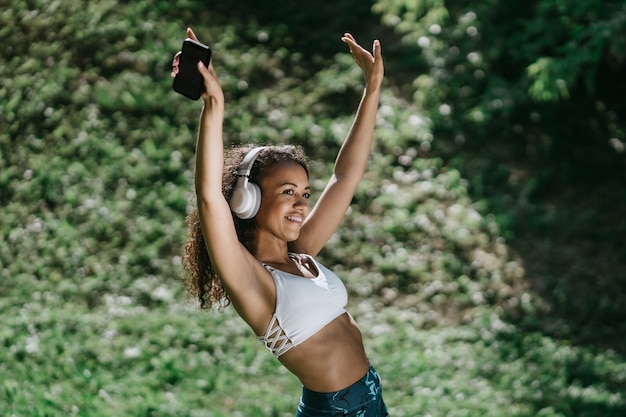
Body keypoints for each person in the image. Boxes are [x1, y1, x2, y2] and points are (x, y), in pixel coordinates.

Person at [172, 27, 387, 416]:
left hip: (370, 397)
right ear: (247, 199)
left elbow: (345, 177)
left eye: (304, 193)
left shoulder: (301, 255)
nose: (301, 204)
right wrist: (214, 106)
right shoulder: (252, 279)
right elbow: (208, 198)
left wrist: (371, 90)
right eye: (287, 192)